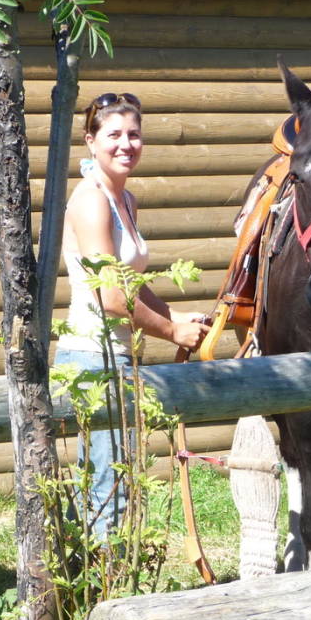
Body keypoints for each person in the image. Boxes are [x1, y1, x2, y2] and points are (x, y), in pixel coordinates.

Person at [54, 92, 209, 534]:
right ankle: (108, 594)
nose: (126, 144)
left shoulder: (126, 199)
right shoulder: (91, 201)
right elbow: (111, 300)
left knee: (113, 478)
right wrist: (171, 333)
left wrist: (178, 315)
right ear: (90, 141)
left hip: (118, 358)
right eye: (114, 135)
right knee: (109, 488)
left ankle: (94, 581)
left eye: (134, 134)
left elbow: (132, 287)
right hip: (93, 358)